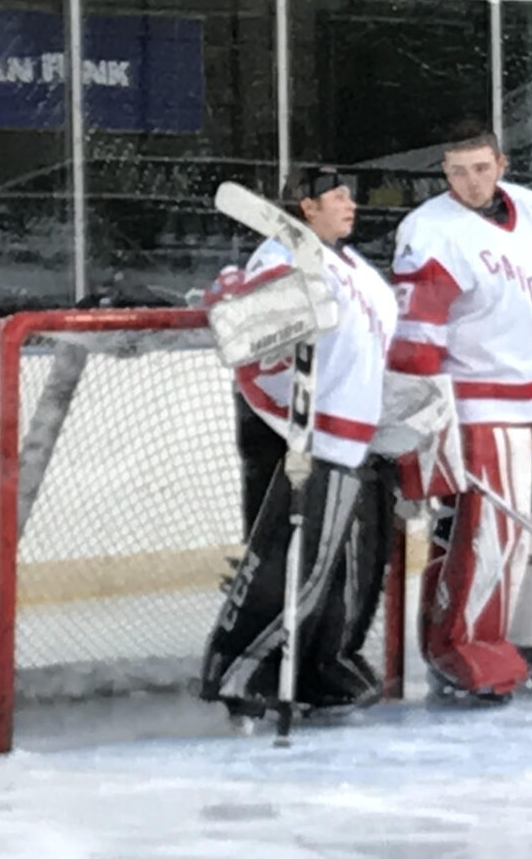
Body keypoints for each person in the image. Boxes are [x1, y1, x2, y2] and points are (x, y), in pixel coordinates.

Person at [388, 122, 532, 700]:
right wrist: (421, 421)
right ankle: (463, 643)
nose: (469, 181)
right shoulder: (429, 231)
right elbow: (416, 339)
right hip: (477, 403)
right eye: (455, 170)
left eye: (479, 167)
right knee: (494, 535)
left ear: (502, 162)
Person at [200, 165, 400, 717]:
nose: (350, 204)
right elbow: (246, 335)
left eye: (350, 195)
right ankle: (241, 676)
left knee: (337, 572)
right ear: (305, 207)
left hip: (348, 440)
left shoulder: (354, 267)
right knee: (291, 567)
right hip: (294, 439)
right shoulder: (282, 256)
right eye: (337, 195)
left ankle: (316, 668)